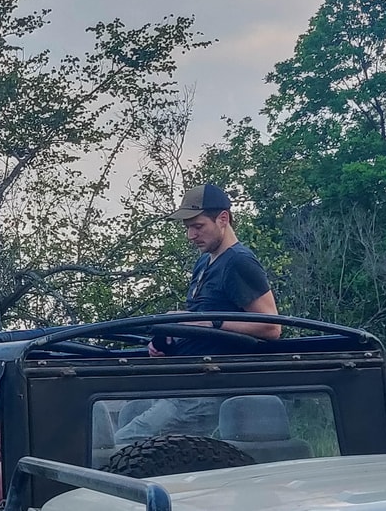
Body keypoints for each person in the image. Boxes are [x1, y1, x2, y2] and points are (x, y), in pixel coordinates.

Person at [115, 184, 281, 444]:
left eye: (198, 226)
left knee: (124, 441)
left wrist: (210, 321)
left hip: (209, 386)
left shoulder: (239, 261)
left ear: (223, 219)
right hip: (184, 377)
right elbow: (201, 318)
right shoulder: (204, 261)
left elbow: (271, 327)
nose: (191, 235)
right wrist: (171, 336)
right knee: (124, 415)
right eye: (188, 228)